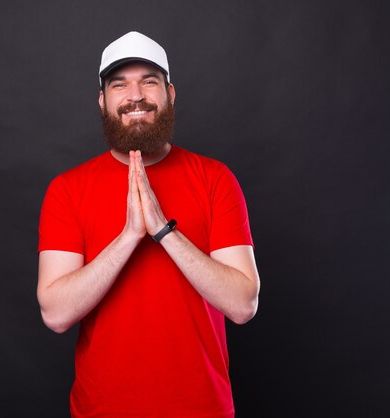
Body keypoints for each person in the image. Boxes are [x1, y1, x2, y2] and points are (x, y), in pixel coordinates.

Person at [37, 31, 260, 418]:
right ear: (103, 100)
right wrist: (129, 237)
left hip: (202, 410)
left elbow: (243, 305)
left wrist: (162, 230)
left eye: (149, 82)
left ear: (170, 94)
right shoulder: (67, 190)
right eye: (120, 84)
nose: (135, 96)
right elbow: (55, 314)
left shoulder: (215, 179)